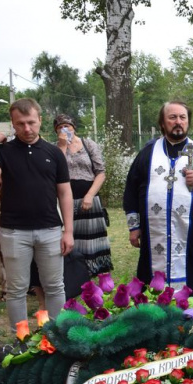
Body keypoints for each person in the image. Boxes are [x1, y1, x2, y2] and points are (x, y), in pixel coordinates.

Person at [0, 98, 74, 329]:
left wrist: (68, 231)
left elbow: (65, 193)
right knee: (16, 289)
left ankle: (55, 337)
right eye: (20, 124)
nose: (27, 128)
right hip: (13, 232)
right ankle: (20, 340)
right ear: (13, 124)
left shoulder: (54, 153)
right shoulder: (4, 151)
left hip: (50, 229)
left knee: (54, 286)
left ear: (40, 120)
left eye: (31, 122)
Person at [123, 101, 193, 316]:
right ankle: (152, 322)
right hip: (154, 236)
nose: (178, 122)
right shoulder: (148, 153)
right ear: (162, 122)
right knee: (149, 279)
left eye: (182, 117)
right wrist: (134, 227)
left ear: (188, 122)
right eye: (172, 117)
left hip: (190, 234)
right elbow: (131, 190)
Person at [53, 114, 113, 276]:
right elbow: (56, 171)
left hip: (89, 197)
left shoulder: (88, 144)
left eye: (68, 126)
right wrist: (63, 145)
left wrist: (90, 195)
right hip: (65, 199)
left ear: (74, 127)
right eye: (60, 127)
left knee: (92, 239)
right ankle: (74, 272)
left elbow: (100, 173)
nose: (65, 130)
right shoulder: (55, 148)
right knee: (71, 236)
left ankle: (95, 270)